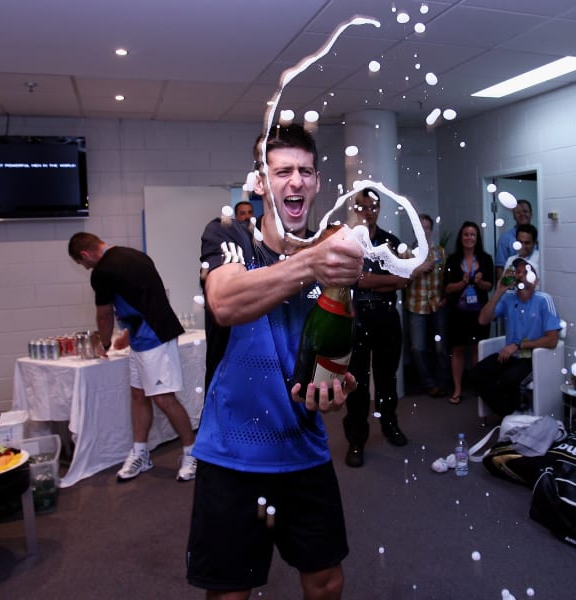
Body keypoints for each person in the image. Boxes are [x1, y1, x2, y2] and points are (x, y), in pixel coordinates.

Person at [188, 123, 362, 599]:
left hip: (303, 450)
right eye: (281, 170)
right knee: (230, 592)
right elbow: (225, 302)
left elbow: (338, 352)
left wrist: (338, 386)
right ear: (260, 182)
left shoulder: (335, 254)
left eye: (305, 171)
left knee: (326, 582)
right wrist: (310, 262)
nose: (296, 181)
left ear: (318, 181)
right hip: (231, 453)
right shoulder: (230, 234)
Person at [67, 232, 198, 482]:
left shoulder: (102, 272)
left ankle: (193, 452)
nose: (84, 267)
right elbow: (141, 298)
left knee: (163, 398)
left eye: (81, 263)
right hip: (143, 337)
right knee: (138, 395)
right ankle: (140, 453)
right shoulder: (134, 254)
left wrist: (103, 343)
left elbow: (104, 315)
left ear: (84, 255)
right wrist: (129, 332)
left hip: (154, 338)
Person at [342, 187, 410, 468]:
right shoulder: (348, 243)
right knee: (356, 382)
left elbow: (403, 279)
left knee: (387, 377)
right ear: (355, 209)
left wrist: (369, 279)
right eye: (362, 207)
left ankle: (390, 424)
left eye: (372, 207)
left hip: (385, 317)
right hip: (357, 319)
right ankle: (356, 440)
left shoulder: (390, 241)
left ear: (379, 209)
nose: (367, 212)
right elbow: (354, 280)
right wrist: (384, 279)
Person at [471, 257, 560, 416]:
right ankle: (508, 414)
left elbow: (552, 339)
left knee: (509, 379)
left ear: (536, 280)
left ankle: (513, 412)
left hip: (534, 356)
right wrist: (499, 292)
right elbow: (482, 320)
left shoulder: (544, 300)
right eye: (518, 272)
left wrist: (519, 345)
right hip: (510, 354)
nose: (520, 275)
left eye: (526, 272)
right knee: (477, 374)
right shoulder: (508, 297)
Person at [444, 221, 494, 405]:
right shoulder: (452, 259)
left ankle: (477, 387)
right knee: (457, 349)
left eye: (473, 234)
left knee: (476, 349)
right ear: (461, 237)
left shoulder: (486, 259)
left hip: (479, 313)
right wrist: (463, 282)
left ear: (477, 238)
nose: (469, 238)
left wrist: (479, 282)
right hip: (458, 314)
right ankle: (457, 389)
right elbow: (447, 288)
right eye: (466, 234)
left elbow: (490, 286)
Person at [404, 213, 448, 397]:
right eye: (420, 228)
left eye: (427, 228)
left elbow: (446, 278)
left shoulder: (440, 252)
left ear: (431, 230)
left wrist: (445, 297)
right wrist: (419, 268)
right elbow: (401, 279)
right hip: (416, 306)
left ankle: (442, 382)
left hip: (437, 305)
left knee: (440, 347)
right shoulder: (406, 252)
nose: (424, 231)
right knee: (418, 348)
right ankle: (428, 383)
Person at [494, 199, 533, 282]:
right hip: (512, 287)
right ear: (514, 216)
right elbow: (500, 268)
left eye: (525, 211)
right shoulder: (505, 238)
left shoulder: (539, 236)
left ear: (531, 214)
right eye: (518, 212)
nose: (522, 214)